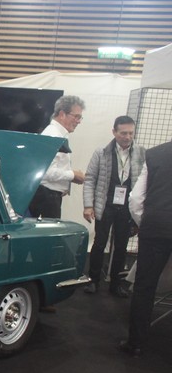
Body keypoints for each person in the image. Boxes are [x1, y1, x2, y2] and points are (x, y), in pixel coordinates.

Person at [118, 138, 172, 357]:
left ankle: (136, 343)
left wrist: (145, 222)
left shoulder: (156, 154)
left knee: (144, 286)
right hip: (155, 227)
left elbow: (136, 198)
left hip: (155, 228)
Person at [82, 116, 146, 297]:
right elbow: (90, 179)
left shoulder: (141, 153)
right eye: (123, 133)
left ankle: (116, 284)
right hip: (105, 205)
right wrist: (88, 205)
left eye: (131, 133)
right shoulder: (101, 152)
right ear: (114, 132)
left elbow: (144, 183)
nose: (127, 137)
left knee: (121, 246)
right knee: (99, 243)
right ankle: (93, 280)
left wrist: (140, 210)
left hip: (127, 208)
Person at [29, 95, 86, 219]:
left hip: (49, 196)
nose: (79, 121)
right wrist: (73, 175)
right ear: (62, 114)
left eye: (80, 117)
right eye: (76, 116)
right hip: (46, 197)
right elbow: (45, 172)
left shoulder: (59, 134)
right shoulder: (53, 136)